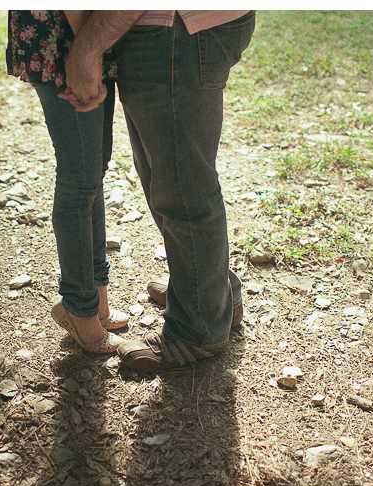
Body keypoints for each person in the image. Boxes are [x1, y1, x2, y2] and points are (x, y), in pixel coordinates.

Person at [63, 10, 256, 371]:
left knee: (182, 184)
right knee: (167, 175)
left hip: (175, 29)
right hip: (175, 27)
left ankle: (197, 330)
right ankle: (209, 294)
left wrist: (86, 51)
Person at [6, 10, 128, 353]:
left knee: (93, 174)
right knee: (79, 181)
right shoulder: (77, 43)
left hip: (84, 38)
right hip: (67, 39)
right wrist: (85, 52)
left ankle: (96, 300)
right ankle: (78, 308)